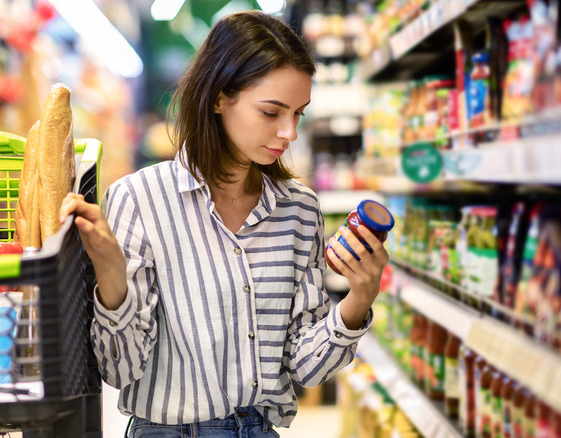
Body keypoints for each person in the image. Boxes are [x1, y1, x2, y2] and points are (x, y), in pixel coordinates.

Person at [59, 10, 389, 437]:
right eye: (271, 112)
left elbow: (307, 369)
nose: (289, 132)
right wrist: (111, 275)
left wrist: (359, 298)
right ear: (218, 97)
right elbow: (120, 368)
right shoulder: (139, 200)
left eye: (299, 114)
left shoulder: (300, 210)